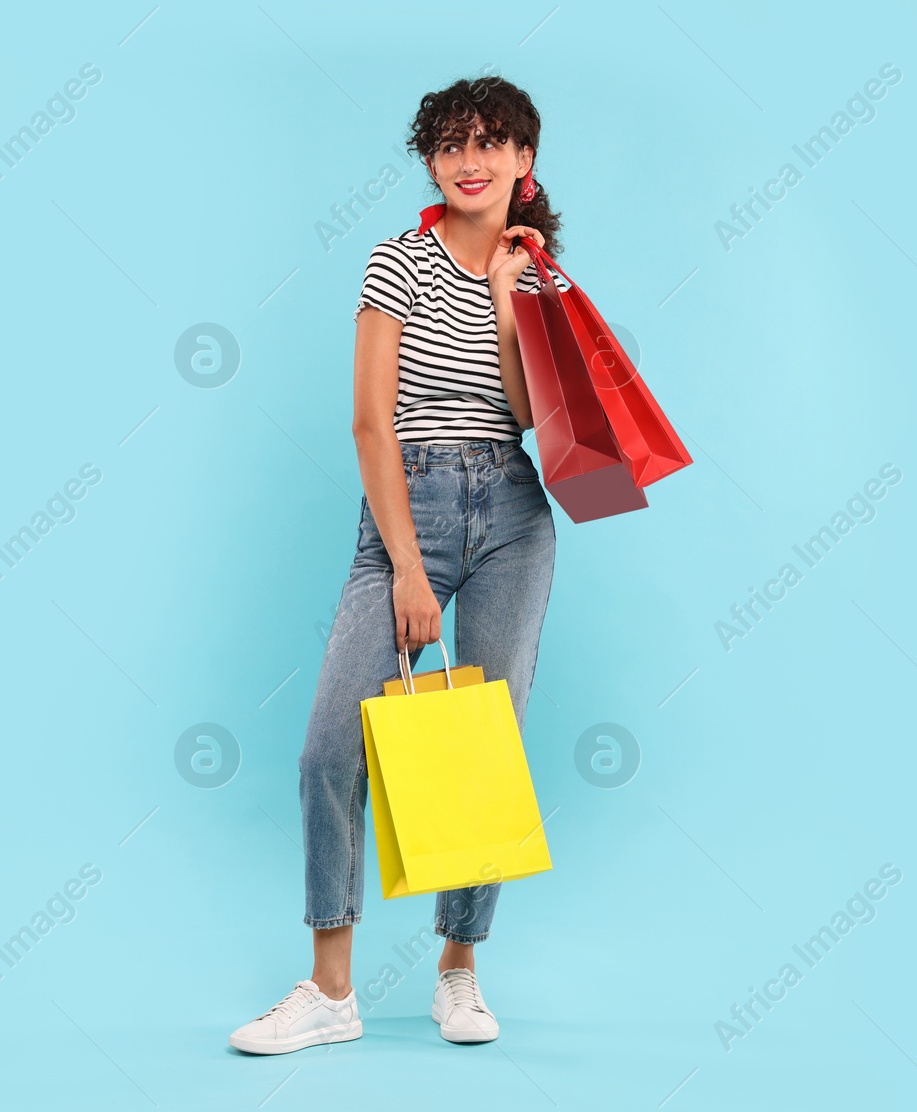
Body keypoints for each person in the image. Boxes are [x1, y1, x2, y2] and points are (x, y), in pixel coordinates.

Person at [230, 75, 564, 1055]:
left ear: (522, 163)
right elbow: (370, 421)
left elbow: (530, 416)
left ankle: (458, 971)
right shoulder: (398, 262)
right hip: (405, 504)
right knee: (329, 748)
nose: (469, 158)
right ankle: (330, 988)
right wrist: (408, 568)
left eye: (489, 142)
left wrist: (507, 299)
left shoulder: (534, 274)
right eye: (450, 143)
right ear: (432, 161)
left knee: (483, 750)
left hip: (511, 512)